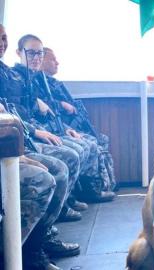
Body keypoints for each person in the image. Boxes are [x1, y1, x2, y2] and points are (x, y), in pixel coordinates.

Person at [0, 23, 78, 270]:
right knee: (50, 174)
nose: (1, 42)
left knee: (66, 162)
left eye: (3, 37)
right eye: (31, 53)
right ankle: (19, 252)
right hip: (11, 146)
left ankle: (37, 243)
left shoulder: (15, 77)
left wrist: (57, 126)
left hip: (18, 141)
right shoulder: (14, 75)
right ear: (20, 53)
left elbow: (19, 112)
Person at [41, 47, 116, 201]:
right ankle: (89, 192)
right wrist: (61, 104)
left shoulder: (53, 83)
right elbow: (40, 106)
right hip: (52, 129)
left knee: (101, 139)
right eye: (53, 59)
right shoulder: (38, 81)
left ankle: (105, 183)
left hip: (64, 127)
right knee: (90, 143)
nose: (57, 63)